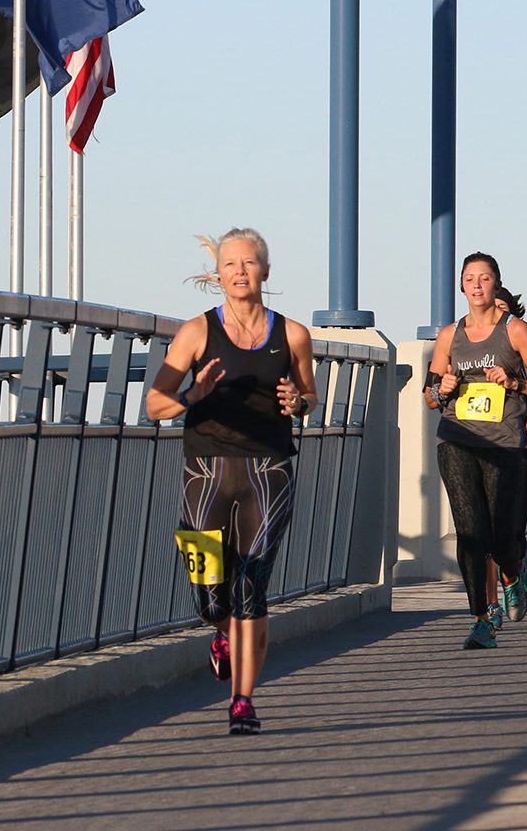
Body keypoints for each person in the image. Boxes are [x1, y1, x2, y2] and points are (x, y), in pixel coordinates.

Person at [147, 227, 317, 735]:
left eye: (249, 263)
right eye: (230, 264)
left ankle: (242, 699)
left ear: (265, 271)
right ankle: (220, 633)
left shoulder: (292, 335)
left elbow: (308, 395)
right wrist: (194, 394)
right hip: (206, 471)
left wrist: (299, 403)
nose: (240, 271)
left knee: (252, 584)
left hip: (268, 472)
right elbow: (155, 404)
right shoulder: (197, 332)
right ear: (217, 274)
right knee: (209, 595)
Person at [424, 252, 527, 649]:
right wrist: (440, 389)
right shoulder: (449, 336)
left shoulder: (515, 330)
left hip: (504, 445)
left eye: (484, 279)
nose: (477, 285)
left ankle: (514, 575)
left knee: (502, 540)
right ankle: (481, 619)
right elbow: (430, 396)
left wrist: (515, 384)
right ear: (462, 286)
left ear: (495, 284)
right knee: (469, 533)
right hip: (458, 439)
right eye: (470, 279)